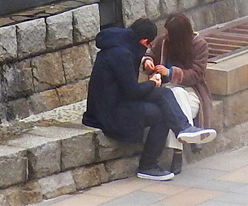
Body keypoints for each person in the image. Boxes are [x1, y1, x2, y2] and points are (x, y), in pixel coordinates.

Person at [82, 17, 215, 181]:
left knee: (165, 95)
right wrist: (152, 82)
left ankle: (184, 128)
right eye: (149, 44)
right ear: (144, 41)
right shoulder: (121, 54)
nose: (150, 47)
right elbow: (132, 92)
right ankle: (147, 166)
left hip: (118, 100)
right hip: (109, 112)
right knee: (160, 114)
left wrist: (151, 69)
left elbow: (130, 89)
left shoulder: (123, 45)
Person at [146, 12, 214, 148]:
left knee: (175, 109)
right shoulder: (163, 41)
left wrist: (171, 73)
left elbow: (196, 74)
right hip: (167, 89)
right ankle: (184, 142)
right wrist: (147, 62)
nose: (167, 36)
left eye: (170, 33)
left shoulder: (199, 45)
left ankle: (179, 150)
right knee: (176, 97)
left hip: (192, 91)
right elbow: (149, 54)